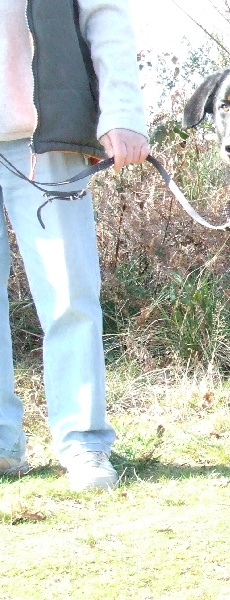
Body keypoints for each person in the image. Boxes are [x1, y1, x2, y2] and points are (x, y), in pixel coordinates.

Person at [0, 0, 150, 490]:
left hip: (47, 136)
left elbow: (105, 16)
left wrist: (122, 111)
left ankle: (83, 441)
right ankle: (3, 444)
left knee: (70, 295)